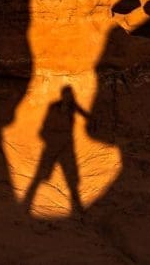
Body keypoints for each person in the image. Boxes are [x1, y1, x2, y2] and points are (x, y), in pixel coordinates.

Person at [21, 85, 90, 216]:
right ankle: (27, 202)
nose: (69, 98)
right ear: (63, 95)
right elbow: (45, 125)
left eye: (70, 96)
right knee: (41, 173)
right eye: (67, 96)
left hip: (66, 145)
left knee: (71, 176)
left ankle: (77, 207)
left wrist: (92, 118)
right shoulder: (54, 107)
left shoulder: (72, 107)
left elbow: (84, 114)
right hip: (53, 144)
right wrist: (48, 138)